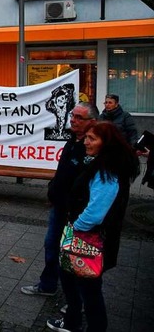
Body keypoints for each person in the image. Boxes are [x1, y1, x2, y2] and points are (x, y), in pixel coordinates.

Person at [47, 122, 140, 332]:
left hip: (90, 238)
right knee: (72, 280)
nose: (86, 142)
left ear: (106, 143)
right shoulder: (101, 164)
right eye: (86, 137)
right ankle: (72, 322)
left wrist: (75, 226)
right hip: (88, 236)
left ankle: (93, 327)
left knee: (89, 289)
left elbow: (96, 212)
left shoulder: (106, 171)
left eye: (92, 139)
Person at [21, 102, 99, 298]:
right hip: (59, 206)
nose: (73, 120)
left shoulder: (94, 148)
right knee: (51, 245)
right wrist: (52, 191)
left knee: (75, 255)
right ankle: (48, 285)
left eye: (79, 117)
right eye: (73, 115)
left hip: (78, 212)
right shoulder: (73, 139)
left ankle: (77, 300)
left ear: (93, 122)